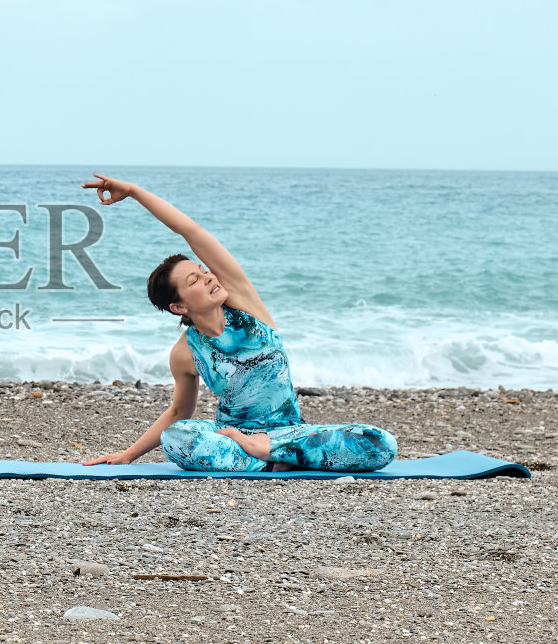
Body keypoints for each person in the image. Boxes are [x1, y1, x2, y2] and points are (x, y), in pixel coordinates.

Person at [78, 174, 397, 474]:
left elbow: (191, 231)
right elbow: (178, 412)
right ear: (179, 307)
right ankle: (279, 460)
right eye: (194, 281)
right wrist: (129, 454)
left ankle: (270, 453)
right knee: (177, 437)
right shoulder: (185, 353)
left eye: (203, 271)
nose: (208, 277)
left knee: (380, 443)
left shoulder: (244, 302)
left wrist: (134, 192)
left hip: (289, 432)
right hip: (233, 434)